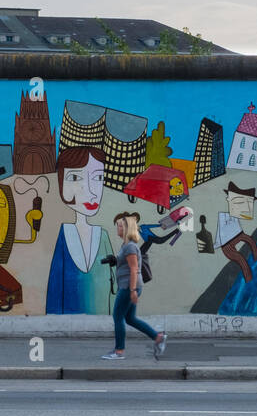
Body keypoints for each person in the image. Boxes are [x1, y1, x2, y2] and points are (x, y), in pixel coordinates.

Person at [45, 146, 113, 314]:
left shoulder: (102, 236)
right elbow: (55, 286)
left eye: (98, 177)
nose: (90, 191)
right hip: (67, 318)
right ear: (61, 185)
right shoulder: (65, 235)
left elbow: (115, 285)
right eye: (75, 177)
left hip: (103, 317)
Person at [101, 214, 167, 360]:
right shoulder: (126, 245)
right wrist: (115, 260)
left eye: (120, 226)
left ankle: (119, 351)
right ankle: (157, 337)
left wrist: (132, 291)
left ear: (126, 229)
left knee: (118, 317)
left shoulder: (130, 246)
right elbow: (126, 264)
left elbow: (133, 269)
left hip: (128, 287)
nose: (117, 228)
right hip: (130, 286)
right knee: (130, 318)